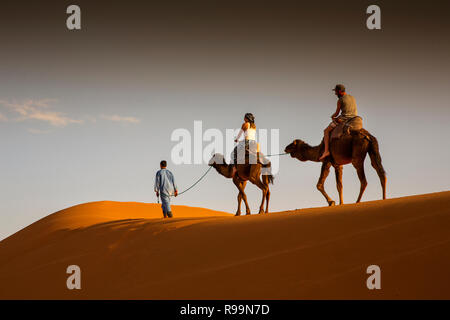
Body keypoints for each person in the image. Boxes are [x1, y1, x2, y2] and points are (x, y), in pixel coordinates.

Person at [319, 84, 358, 161]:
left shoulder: (340, 100)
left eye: (336, 92)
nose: (335, 94)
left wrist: (332, 116)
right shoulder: (352, 97)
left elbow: (337, 113)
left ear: (340, 91)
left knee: (326, 131)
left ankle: (326, 151)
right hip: (354, 118)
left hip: (344, 119)